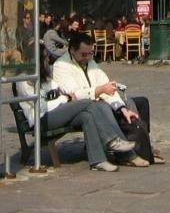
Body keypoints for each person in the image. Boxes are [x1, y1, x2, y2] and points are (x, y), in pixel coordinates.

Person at [49, 36, 155, 168]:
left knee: (137, 102)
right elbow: (74, 94)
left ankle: (145, 148)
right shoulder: (62, 66)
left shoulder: (91, 62)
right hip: (76, 108)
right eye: (83, 54)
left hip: (97, 100)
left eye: (91, 53)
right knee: (103, 107)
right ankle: (126, 155)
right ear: (72, 51)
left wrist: (121, 107)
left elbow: (105, 84)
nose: (87, 57)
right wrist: (100, 90)